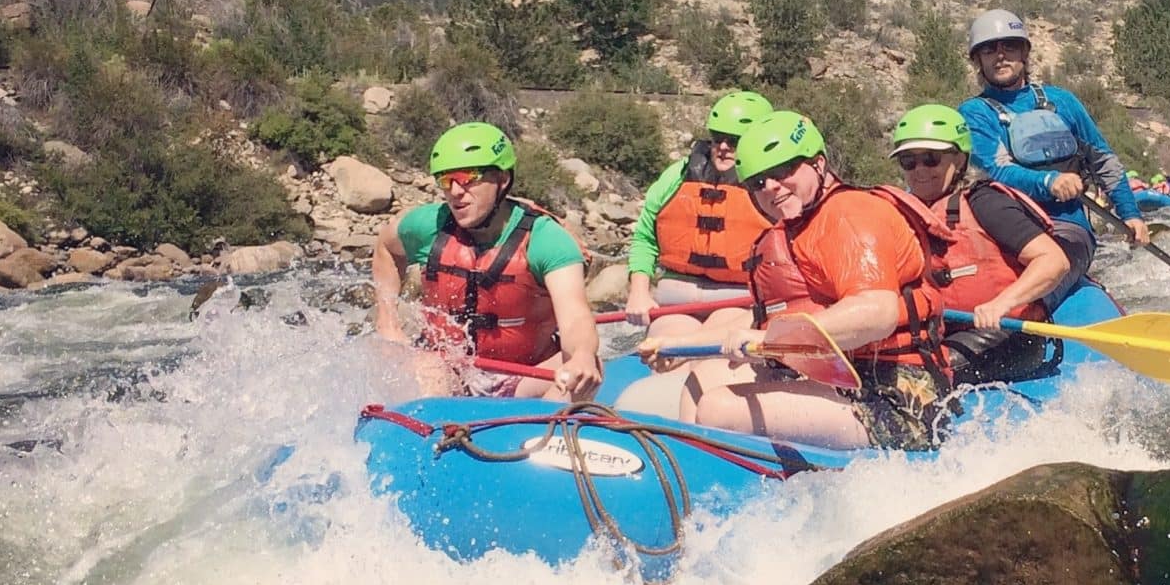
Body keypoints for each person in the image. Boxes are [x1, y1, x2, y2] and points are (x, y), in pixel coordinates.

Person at [618, 112, 953, 450]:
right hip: (844, 377)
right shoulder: (797, 226)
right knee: (702, 379)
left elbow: (876, 312)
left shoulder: (851, 215)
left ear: (818, 164)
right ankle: (698, 484)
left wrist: (772, 341)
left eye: (783, 171)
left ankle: (734, 487)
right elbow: (769, 318)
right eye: (759, 182)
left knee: (719, 408)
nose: (772, 188)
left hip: (903, 398)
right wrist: (682, 346)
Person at [370, 121, 602, 401]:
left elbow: (576, 317)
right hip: (449, 369)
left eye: (468, 178)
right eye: (446, 180)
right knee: (427, 370)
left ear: (502, 180)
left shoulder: (545, 239)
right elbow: (386, 247)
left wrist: (583, 356)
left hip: (525, 375)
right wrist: (387, 321)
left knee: (584, 370)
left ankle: (539, 432)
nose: (455, 191)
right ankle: (437, 428)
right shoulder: (427, 224)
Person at [957, 9, 1150, 282]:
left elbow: (1103, 160)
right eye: (988, 49)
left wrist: (1130, 213)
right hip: (1008, 231)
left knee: (1043, 279)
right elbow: (997, 170)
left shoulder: (1063, 101)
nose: (1000, 55)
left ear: (1024, 53)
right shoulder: (974, 112)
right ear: (978, 60)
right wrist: (1049, 180)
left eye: (1009, 46)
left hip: (1067, 227)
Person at [885, 102, 1075, 335]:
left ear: (959, 160)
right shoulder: (902, 211)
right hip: (939, 329)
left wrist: (1001, 304)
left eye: (931, 158)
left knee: (920, 369)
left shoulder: (985, 202)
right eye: (908, 161)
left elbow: (1054, 261)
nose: (919, 169)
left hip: (1003, 332)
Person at [625, 89, 775, 331]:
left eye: (734, 140)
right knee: (668, 350)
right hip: (676, 298)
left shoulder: (773, 187)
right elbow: (645, 238)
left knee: (708, 347)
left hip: (740, 300)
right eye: (718, 138)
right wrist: (639, 292)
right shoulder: (677, 176)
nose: (724, 147)